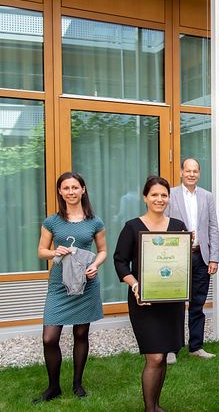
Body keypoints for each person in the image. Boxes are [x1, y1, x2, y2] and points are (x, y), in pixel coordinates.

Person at [113, 176, 188, 412]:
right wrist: (135, 285)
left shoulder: (178, 226)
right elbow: (120, 261)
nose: (159, 199)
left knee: (164, 354)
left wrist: (189, 248)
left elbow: (184, 263)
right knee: (154, 357)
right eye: (154, 195)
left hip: (170, 302)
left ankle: (156, 405)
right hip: (143, 301)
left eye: (164, 195)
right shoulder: (132, 227)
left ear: (169, 198)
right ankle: (149, 409)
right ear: (145, 197)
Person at [35, 172, 107, 402]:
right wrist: (55, 251)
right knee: (49, 337)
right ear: (60, 192)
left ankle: (77, 383)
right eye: (66, 188)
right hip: (59, 284)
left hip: (86, 282)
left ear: (83, 190)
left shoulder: (95, 222)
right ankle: (53, 386)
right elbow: (41, 251)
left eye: (75, 187)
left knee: (81, 333)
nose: (71, 192)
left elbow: (103, 250)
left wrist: (95, 264)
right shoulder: (52, 221)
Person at [164, 158, 219, 364]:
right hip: (178, 257)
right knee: (175, 304)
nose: (191, 174)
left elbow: (213, 227)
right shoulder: (170, 195)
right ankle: (171, 348)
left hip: (201, 256)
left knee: (198, 303)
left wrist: (214, 257)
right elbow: (165, 225)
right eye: (188, 171)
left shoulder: (207, 196)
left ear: (199, 173)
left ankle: (196, 346)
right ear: (181, 172)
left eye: (195, 171)